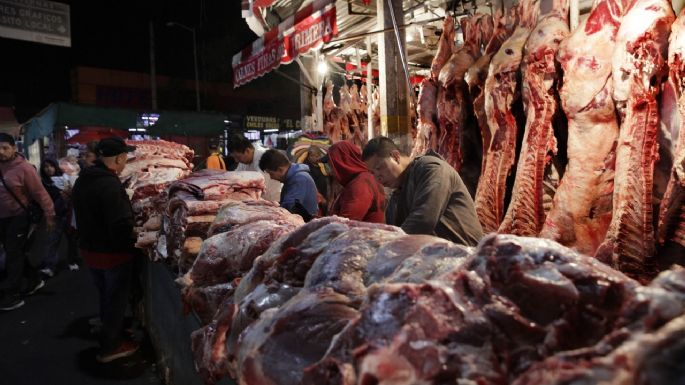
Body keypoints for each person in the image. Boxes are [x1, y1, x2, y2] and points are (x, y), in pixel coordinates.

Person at [72, 136, 139, 362]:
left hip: (89, 248)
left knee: (105, 295)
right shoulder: (109, 184)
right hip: (112, 252)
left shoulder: (85, 178)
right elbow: (120, 226)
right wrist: (138, 233)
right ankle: (111, 346)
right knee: (116, 300)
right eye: (125, 157)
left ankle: (109, 328)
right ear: (119, 158)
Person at [362, 136, 483, 246]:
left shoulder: (432, 169)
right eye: (372, 173)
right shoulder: (395, 198)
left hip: (469, 258)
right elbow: (394, 231)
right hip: (439, 260)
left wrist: (389, 246)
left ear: (395, 156)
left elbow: (423, 220)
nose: (377, 177)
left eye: (379, 168)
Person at [0, 133, 54, 311]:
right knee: (13, 251)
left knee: (13, 253)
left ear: (14, 148)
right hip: (2, 218)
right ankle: (34, 279)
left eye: (5, 148)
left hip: (19, 216)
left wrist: (50, 215)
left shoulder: (24, 168)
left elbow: (40, 193)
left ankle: (12, 295)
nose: (1, 152)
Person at [324, 141, 385, 223]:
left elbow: (345, 224)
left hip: (361, 235)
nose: (330, 171)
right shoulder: (359, 179)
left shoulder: (360, 184)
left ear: (342, 163)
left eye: (331, 165)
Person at [38, 158, 79, 277]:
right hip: (54, 216)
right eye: (45, 166)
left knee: (72, 240)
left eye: (51, 166)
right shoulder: (43, 183)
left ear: (56, 166)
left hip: (68, 214)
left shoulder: (66, 178)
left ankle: (72, 260)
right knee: (52, 241)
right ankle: (50, 266)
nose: (49, 169)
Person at [259, 149, 318, 221]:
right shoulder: (292, 177)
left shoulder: (299, 179)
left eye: (271, 174)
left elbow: (288, 210)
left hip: (307, 224)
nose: (271, 177)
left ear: (280, 170)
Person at [228, 134, 282, 202]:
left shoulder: (264, 156)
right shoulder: (244, 160)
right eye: (234, 157)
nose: (236, 160)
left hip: (272, 200)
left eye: (238, 157)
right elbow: (236, 176)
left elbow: (260, 184)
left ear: (247, 151)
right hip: (257, 201)